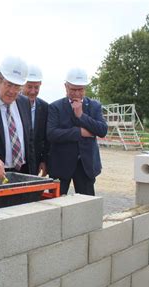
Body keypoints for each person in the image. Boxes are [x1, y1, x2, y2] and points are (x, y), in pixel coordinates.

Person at [47, 67, 108, 195]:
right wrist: (79, 132)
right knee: (55, 203)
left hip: (86, 166)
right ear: (66, 86)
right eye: (73, 89)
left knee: (87, 206)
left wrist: (81, 115)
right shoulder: (55, 107)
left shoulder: (94, 106)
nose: (77, 93)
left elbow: (102, 130)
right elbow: (52, 134)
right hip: (61, 165)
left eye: (80, 89)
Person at [22, 65, 50, 177]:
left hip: (35, 164)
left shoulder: (45, 108)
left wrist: (44, 160)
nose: (33, 91)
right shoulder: (12, 105)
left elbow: (46, 139)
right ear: (22, 85)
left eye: (36, 87)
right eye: (29, 87)